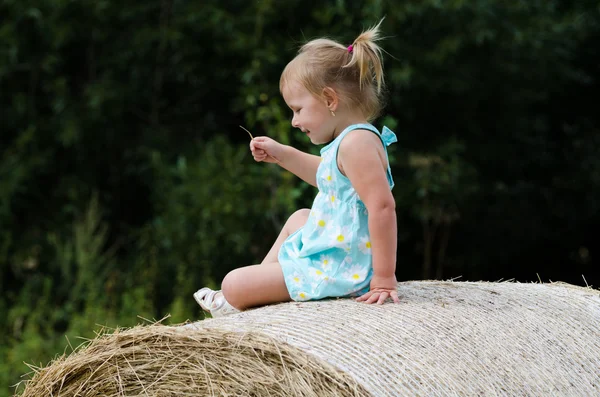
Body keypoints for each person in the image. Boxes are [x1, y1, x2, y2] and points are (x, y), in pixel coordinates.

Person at [194, 20, 400, 317]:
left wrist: (383, 277)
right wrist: (282, 154)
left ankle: (243, 296)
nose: (294, 121)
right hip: (338, 252)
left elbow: (382, 207)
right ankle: (258, 292)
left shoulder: (357, 143)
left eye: (298, 110)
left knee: (232, 283)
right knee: (300, 217)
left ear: (330, 99)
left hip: (343, 267)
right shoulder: (351, 140)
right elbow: (327, 177)